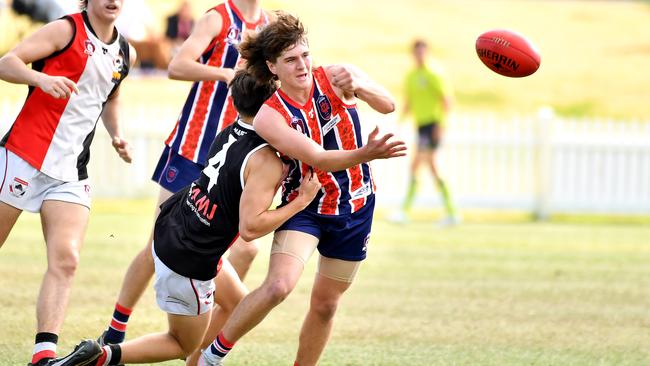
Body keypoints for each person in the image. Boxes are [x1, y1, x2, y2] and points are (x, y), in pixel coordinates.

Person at [54, 67, 402, 365]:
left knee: (237, 304)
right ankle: (104, 355)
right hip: (190, 257)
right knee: (181, 344)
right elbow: (250, 229)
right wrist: (298, 203)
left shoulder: (229, 131)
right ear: (270, 105)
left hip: (174, 227)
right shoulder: (266, 159)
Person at [199, 12, 404, 366]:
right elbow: (320, 159)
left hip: (354, 208)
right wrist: (368, 154)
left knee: (325, 306)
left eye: (305, 55)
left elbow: (387, 105)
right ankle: (211, 357)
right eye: (290, 60)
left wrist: (360, 83)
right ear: (272, 67)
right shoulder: (269, 115)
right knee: (279, 286)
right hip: (306, 206)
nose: (302, 65)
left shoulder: (337, 77)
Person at [98, 0, 271, 349]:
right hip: (192, 147)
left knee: (242, 251)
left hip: (229, 158)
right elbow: (177, 66)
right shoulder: (217, 17)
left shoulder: (267, 25)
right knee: (157, 243)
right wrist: (225, 74)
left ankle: (199, 343)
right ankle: (116, 329)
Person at [0, 0, 135, 365]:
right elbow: (7, 62)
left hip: (71, 170)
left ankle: (43, 355)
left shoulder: (126, 51)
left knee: (67, 260)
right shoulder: (65, 30)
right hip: (24, 156)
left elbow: (111, 97)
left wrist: (117, 135)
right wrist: (40, 78)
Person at [389, 39, 459, 226]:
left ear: (427, 53)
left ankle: (409, 211)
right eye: (416, 52)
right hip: (421, 127)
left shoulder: (434, 74)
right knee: (423, 167)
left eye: (422, 52)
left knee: (426, 165)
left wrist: (441, 125)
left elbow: (446, 101)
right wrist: (399, 123)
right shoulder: (411, 76)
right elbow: (409, 102)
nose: (419, 55)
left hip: (433, 125)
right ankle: (449, 212)